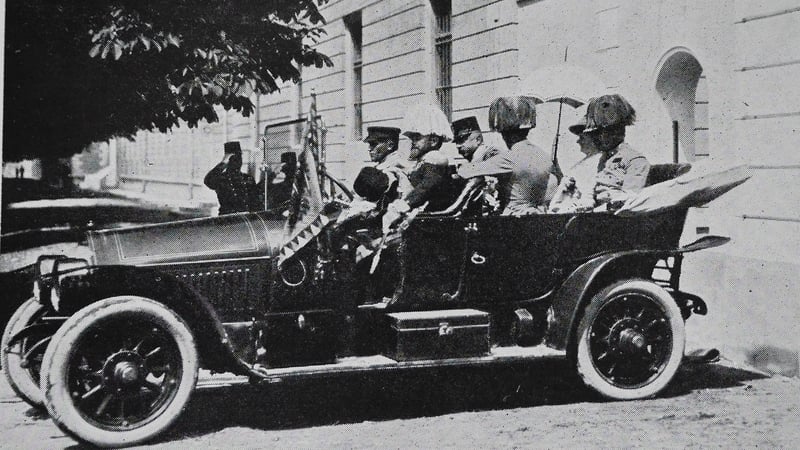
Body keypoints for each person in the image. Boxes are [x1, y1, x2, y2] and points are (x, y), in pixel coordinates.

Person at [454, 96, 556, 216]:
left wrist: (465, 164)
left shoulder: (510, 158)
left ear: (505, 134)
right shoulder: (543, 155)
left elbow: (466, 172)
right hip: (539, 215)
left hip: (512, 217)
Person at [582, 94, 650, 208]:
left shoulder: (635, 160)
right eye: (594, 134)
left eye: (600, 133)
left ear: (617, 131)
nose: (595, 139)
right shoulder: (605, 158)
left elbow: (628, 202)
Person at [204, 141, 261, 215]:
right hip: (228, 219)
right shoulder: (221, 179)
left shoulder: (248, 178)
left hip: (245, 218)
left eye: (240, 157)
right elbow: (208, 181)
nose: (238, 161)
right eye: (234, 158)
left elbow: (256, 202)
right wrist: (223, 163)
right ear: (228, 160)